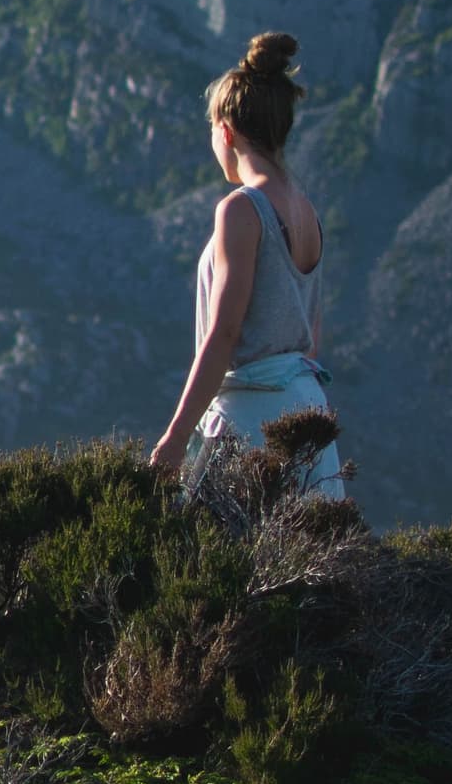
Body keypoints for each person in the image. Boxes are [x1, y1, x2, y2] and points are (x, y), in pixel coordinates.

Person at [145, 31, 348, 499]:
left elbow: (224, 334)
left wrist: (176, 437)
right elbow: (310, 341)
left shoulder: (241, 210)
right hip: (308, 418)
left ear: (226, 130)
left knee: (220, 561)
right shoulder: (307, 213)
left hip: (251, 421)